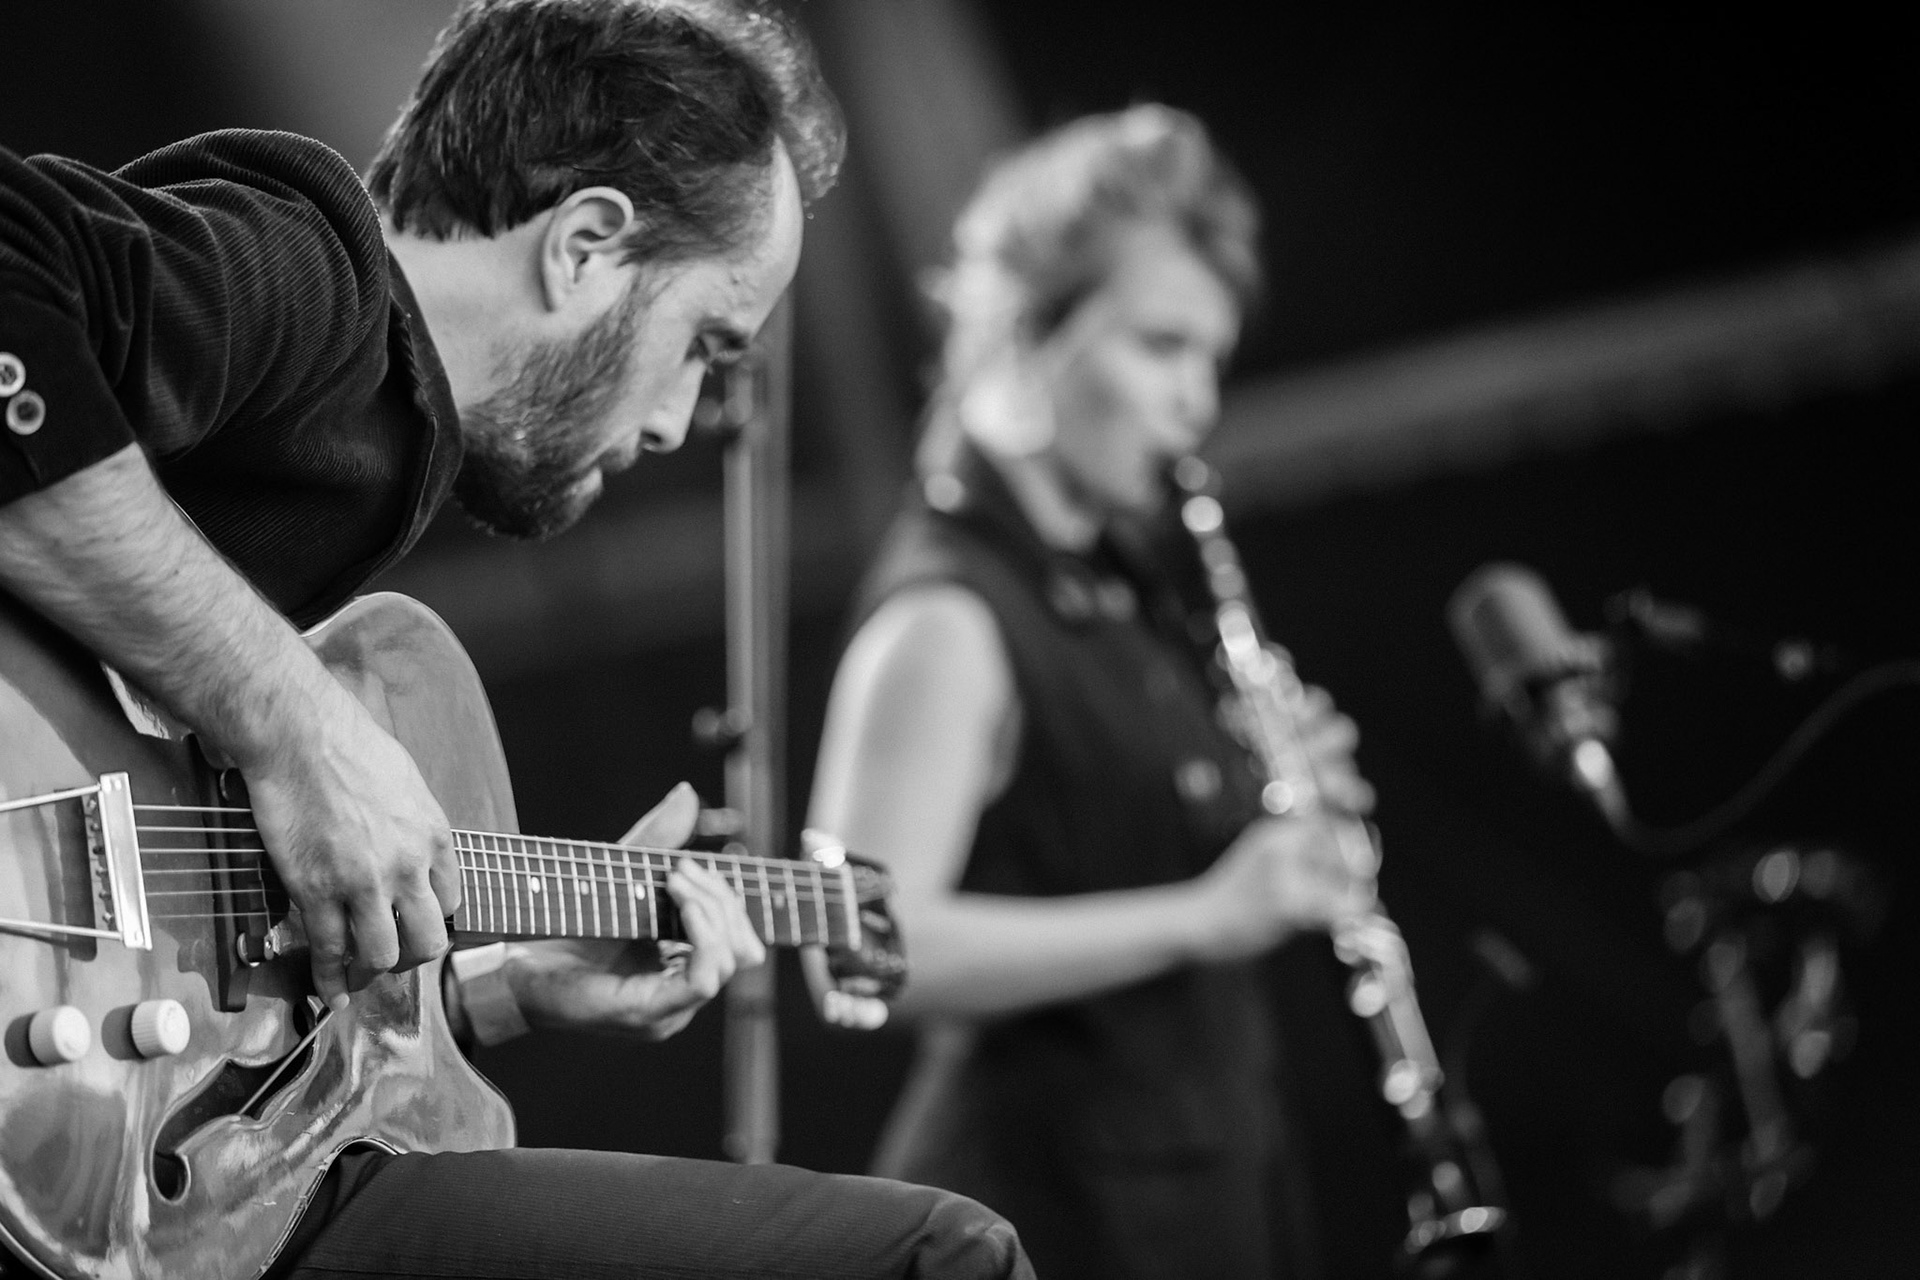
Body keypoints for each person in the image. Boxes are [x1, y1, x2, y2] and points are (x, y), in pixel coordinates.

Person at [0, 1, 1030, 1276]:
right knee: (934, 1254)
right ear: (587, 244)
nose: (679, 420)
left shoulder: (373, 442)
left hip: (134, 1169)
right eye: (707, 344)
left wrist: (507, 984)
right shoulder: (312, 277)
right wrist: (298, 724)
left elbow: (206, 914)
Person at [807, 105, 1376, 1279]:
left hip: (1198, 1195)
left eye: (1210, 359)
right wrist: (1210, 911)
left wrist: (1273, 810)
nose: (1196, 401)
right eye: (1161, 346)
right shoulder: (946, 616)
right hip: (1047, 1223)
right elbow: (863, 946)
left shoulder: (1115, 592)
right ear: (1026, 336)